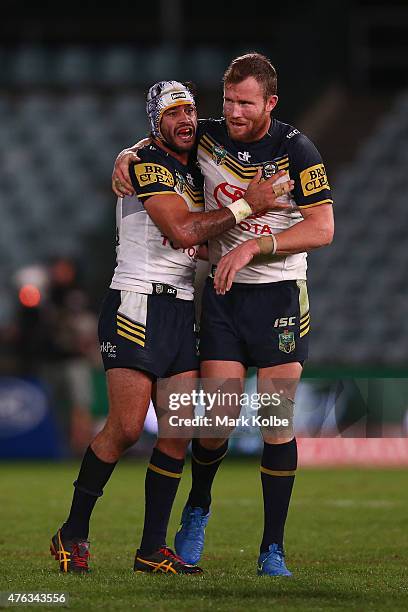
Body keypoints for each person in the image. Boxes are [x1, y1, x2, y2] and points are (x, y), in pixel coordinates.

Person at [50, 78, 289, 575]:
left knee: (177, 431)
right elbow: (180, 231)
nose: (185, 121)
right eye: (172, 113)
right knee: (125, 427)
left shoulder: (191, 166)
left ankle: (151, 549)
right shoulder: (149, 163)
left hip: (181, 309)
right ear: (154, 121)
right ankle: (71, 533)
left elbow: (199, 238)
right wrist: (248, 205)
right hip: (137, 303)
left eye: (190, 112)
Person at [112, 53, 334, 577]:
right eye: (229, 100)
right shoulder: (209, 135)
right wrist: (127, 153)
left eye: (246, 103)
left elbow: (322, 228)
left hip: (279, 295)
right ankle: (198, 507)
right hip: (223, 299)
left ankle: (272, 549)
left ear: (270, 103)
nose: (233, 112)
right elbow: (161, 143)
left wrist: (256, 248)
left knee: (277, 423)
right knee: (212, 424)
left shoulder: (295, 149)